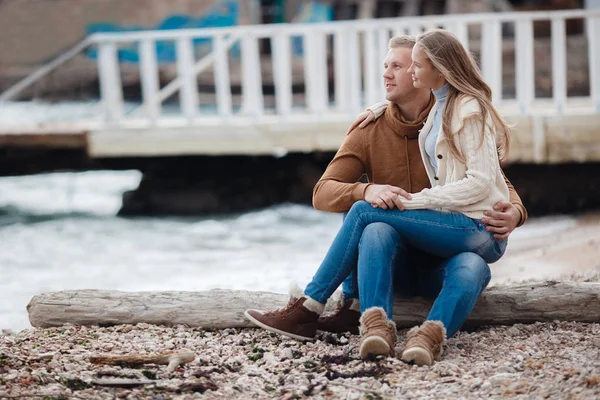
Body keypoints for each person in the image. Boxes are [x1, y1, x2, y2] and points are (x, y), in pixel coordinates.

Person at [245, 30, 527, 366]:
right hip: (393, 265)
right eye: (387, 66)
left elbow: (491, 179)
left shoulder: (452, 117)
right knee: (375, 224)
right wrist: (365, 189)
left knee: (473, 265)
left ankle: (424, 337)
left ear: (427, 73)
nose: (388, 73)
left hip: (446, 256)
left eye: (402, 66)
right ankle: (375, 328)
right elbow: (322, 193)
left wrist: (516, 213)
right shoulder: (370, 129)